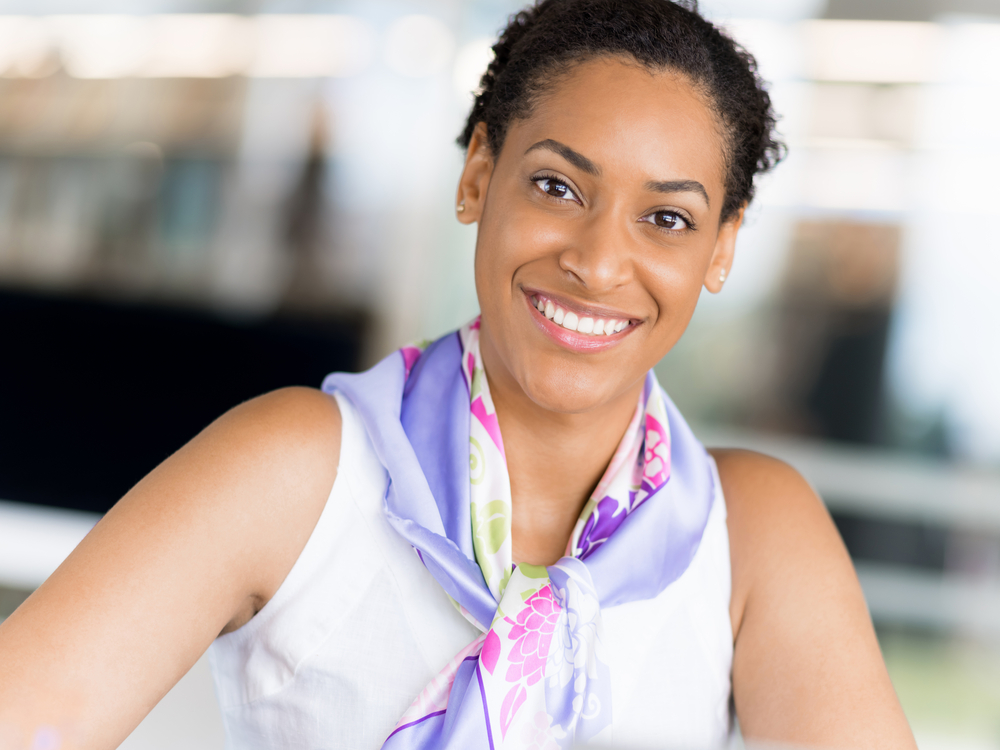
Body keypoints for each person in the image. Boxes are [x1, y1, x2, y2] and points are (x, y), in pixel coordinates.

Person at [0, 1, 917, 748]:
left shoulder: (752, 535)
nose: (599, 264)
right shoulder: (300, 469)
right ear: (480, 172)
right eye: (558, 187)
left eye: (667, 220)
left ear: (722, 248)